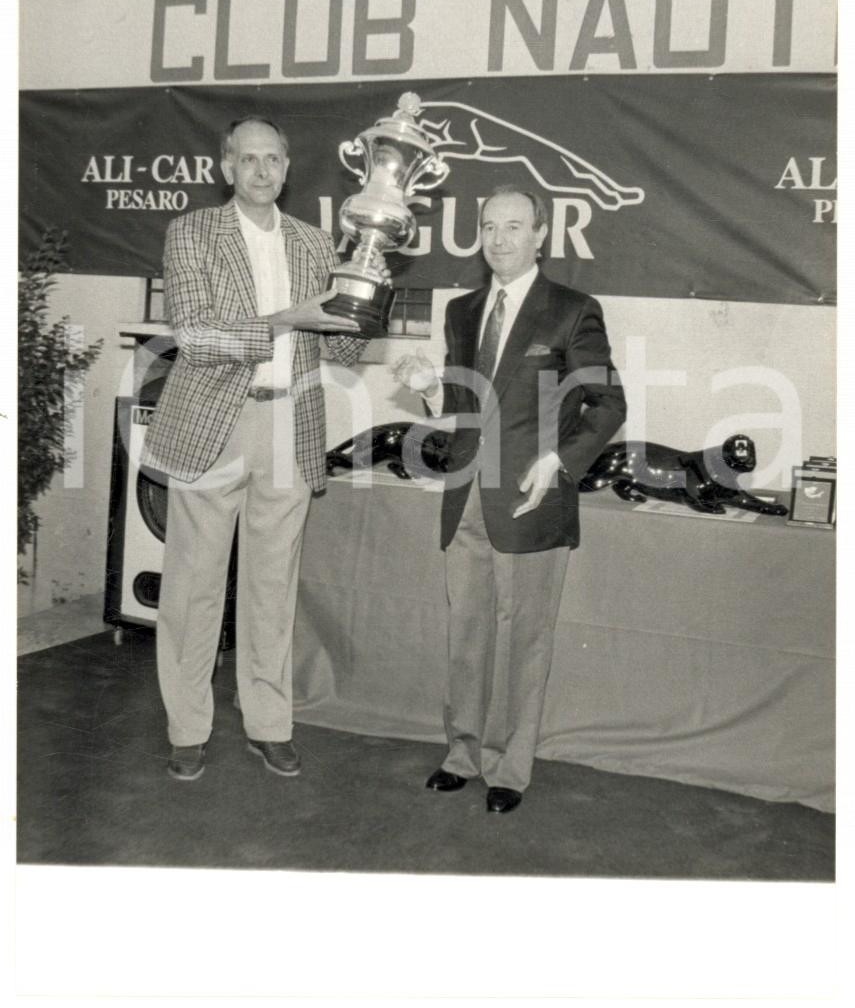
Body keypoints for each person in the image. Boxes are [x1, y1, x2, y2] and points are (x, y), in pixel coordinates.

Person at [143, 115, 371, 782]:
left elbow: (341, 345)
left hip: (288, 428)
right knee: (193, 589)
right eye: (249, 159)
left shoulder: (314, 242)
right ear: (226, 168)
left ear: (287, 167)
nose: (263, 171)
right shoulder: (191, 232)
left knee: (273, 587)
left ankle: (269, 723)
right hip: (212, 422)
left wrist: (364, 297)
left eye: (273, 159)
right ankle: (186, 728)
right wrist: (286, 320)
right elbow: (194, 335)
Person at [393, 185, 626, 814]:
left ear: (540, 235)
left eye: (514, 226)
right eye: (489, 226)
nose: (499, 239)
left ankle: (509, 769)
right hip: (465, 496)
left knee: (524, 639)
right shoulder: (463, 311)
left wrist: (560, 462)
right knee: (466, 634)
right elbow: (465, 408)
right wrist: (428, 390)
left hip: (532, 499)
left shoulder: (573, 310)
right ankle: (461, 755)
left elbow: (608, 405)